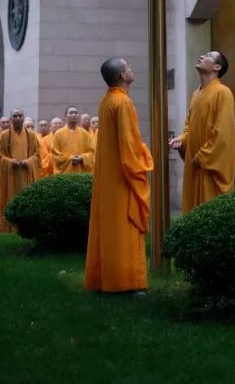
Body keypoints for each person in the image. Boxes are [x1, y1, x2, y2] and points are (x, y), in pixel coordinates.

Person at [85, 57, 153, 293]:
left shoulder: (106, 101)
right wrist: (145, 157)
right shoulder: (123, 103)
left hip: (108, 178)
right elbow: (129, 146)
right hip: (122, 178)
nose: (132, 69)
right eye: (129, 67)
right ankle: (129, 282)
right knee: (126, 226)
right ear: (122, 76)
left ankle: (106, 278)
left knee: (110, 229)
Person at [168, 51, 235, 212]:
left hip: (209, 165)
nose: (201, 56)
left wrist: (204, 154)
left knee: (210, 213)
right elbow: (189, 126)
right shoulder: (195, 94)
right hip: (195, 163)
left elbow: (223, 132)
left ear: (217, 67)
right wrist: (183, 139)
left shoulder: (223, 92)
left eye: (208, 56)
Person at [0, 109, 41, 231]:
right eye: (15, 116)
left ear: (23, 118)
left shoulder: (31, 135)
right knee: (10, 202)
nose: (17, 118)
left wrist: (28, 162)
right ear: (11, 119)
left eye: (20, 116)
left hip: (26, 174)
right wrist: (11, 162)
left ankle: (28, 228)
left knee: (27, 201)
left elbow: (37, 155)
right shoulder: (4, 136)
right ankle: (9, 229)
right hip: (11, 176)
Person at [51, 106, 95, 174]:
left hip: (81, 172)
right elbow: (55, 155)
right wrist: (70, 158)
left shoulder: (85, 133)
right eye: (71, 113)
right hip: (64, 174)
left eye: (76, 113)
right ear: (65, 116)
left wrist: (82, 158)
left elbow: (92, 153)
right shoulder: (58, 134)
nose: (74, 115)